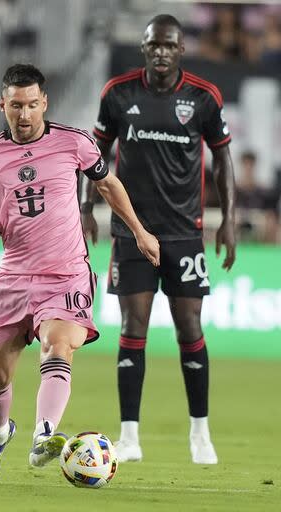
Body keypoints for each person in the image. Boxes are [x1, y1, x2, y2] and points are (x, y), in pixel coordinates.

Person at [0, 63, 160, 481]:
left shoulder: (74, 143)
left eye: (32, 105)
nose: (24, 115)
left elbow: (108, 185)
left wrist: (140, 231)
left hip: (66, 273)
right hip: (14, 277)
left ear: (45, 103)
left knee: (58, 346)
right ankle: (0, 435)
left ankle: (44, 437)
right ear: (2, 104)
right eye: (16, 106)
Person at [83, 14, 236, 465]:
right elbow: (93, 157)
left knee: (190, 326)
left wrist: (229, 219)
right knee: (133, 327)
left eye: (170, 45)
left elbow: (223, 161)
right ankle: (129, 436)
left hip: (184, 233)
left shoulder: (203, 98)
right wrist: (84, 208)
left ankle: (200, 433)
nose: (162, 52)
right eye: (154, 45)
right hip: (132, 231)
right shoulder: (118, 93)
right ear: (145, 49)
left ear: (181, 49)